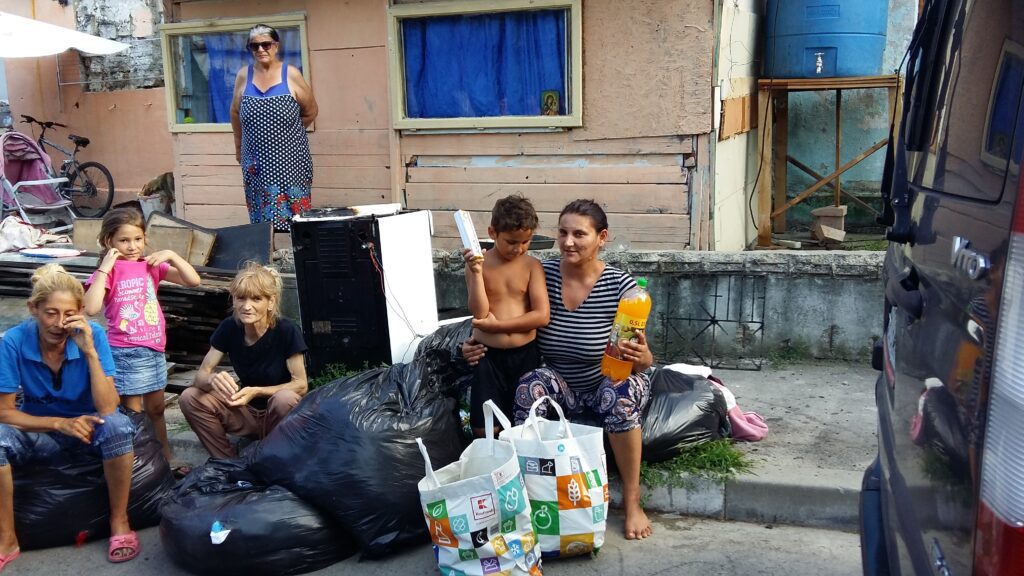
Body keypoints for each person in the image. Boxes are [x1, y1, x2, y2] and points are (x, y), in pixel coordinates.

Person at [463, 199, 655, 540]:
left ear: (602, 237)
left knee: (618, 394)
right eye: (563, 232)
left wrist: (641, 355)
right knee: (529, 385)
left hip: (608, 379)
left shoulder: (622, 288)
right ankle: (532, 495)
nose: (568, 242)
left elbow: (643, 358)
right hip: (561, 384)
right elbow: (497, 309)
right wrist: (472, 342)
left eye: (579, 234)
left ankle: (632, 499)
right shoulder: (543, 271)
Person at [0, 264, 139, 568]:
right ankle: (7, 538)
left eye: (68, 314)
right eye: (50, 313)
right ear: (33, 308)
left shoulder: (94, 336)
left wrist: (89, 351)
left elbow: (107, 408)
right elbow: (4, 412)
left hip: (89, 431)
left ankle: (120, 521)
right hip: (39, 434)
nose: (59, 323)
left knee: (117, 425)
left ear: (80, 313)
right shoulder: (13, 341)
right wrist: (58, 423)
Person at [83, 208, 201, 470]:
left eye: (138, 239)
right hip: (125, 352)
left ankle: (166, 457)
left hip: (153, 349)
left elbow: (193, 280)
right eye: (124, 240)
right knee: (133, 413)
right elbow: (90, 308)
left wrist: (171, 255)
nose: (132, 246)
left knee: (157, 409)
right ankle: (140, 464)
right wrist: (105, 266)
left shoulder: (150, 266)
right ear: (108, 242)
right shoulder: (109, 272)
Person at [180, 262, 308, 459]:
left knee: (284, 399)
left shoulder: (287, 330)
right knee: (190, 397)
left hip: (278, 415)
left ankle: (275, 458)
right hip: (245, 411)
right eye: (241, 298)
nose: (247, 306)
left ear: (271, 302)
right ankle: (228, 463)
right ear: (233, 300)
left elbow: (300, 385)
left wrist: (257, 391)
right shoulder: (230, 327)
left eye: (256, 299)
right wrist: (212, 379)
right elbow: (201, 376)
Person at [464, 195, 550, 437]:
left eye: (526, 241)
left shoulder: (532, 265)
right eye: (511, 241)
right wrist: (477, 273)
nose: (518, 249)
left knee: (525, 420)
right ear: (492, 232)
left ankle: (524, 466)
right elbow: (479, 313)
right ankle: (492, 467)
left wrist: (498, 326)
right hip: (487, 356)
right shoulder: (477, 265)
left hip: (525, 354)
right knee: (485, 425)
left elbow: (542, 316)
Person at [230, 24, 318, 233]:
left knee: (295, 215)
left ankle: (298, 258)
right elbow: (235, 113)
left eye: (266, 44)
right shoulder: (244, 76)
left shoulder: (291, 74)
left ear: (275, 46)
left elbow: (311, 111)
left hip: (290, 161)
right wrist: (238, 147)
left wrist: (285, 134)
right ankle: (269, 259)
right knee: (261, 217)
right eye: (255, 46)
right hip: (256, 161)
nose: (261, 50)